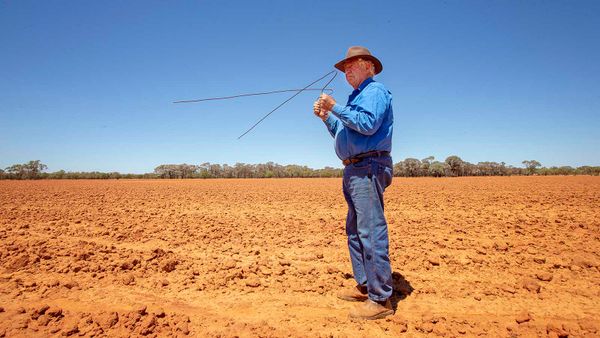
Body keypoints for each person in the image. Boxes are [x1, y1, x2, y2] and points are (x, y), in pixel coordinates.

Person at [313, 46, 394, 320]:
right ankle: (365, 285)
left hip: (369, 166)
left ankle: (381, 300)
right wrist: (327, 118)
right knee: (355, 232)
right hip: (353, 169)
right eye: (344, 67)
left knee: (371, 230)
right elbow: (344, 132)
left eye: (352, 65)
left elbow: (368, 124)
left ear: (369, 66)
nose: (346, 70)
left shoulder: (375, 92)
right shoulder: (355, 97)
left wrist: (335, 107)